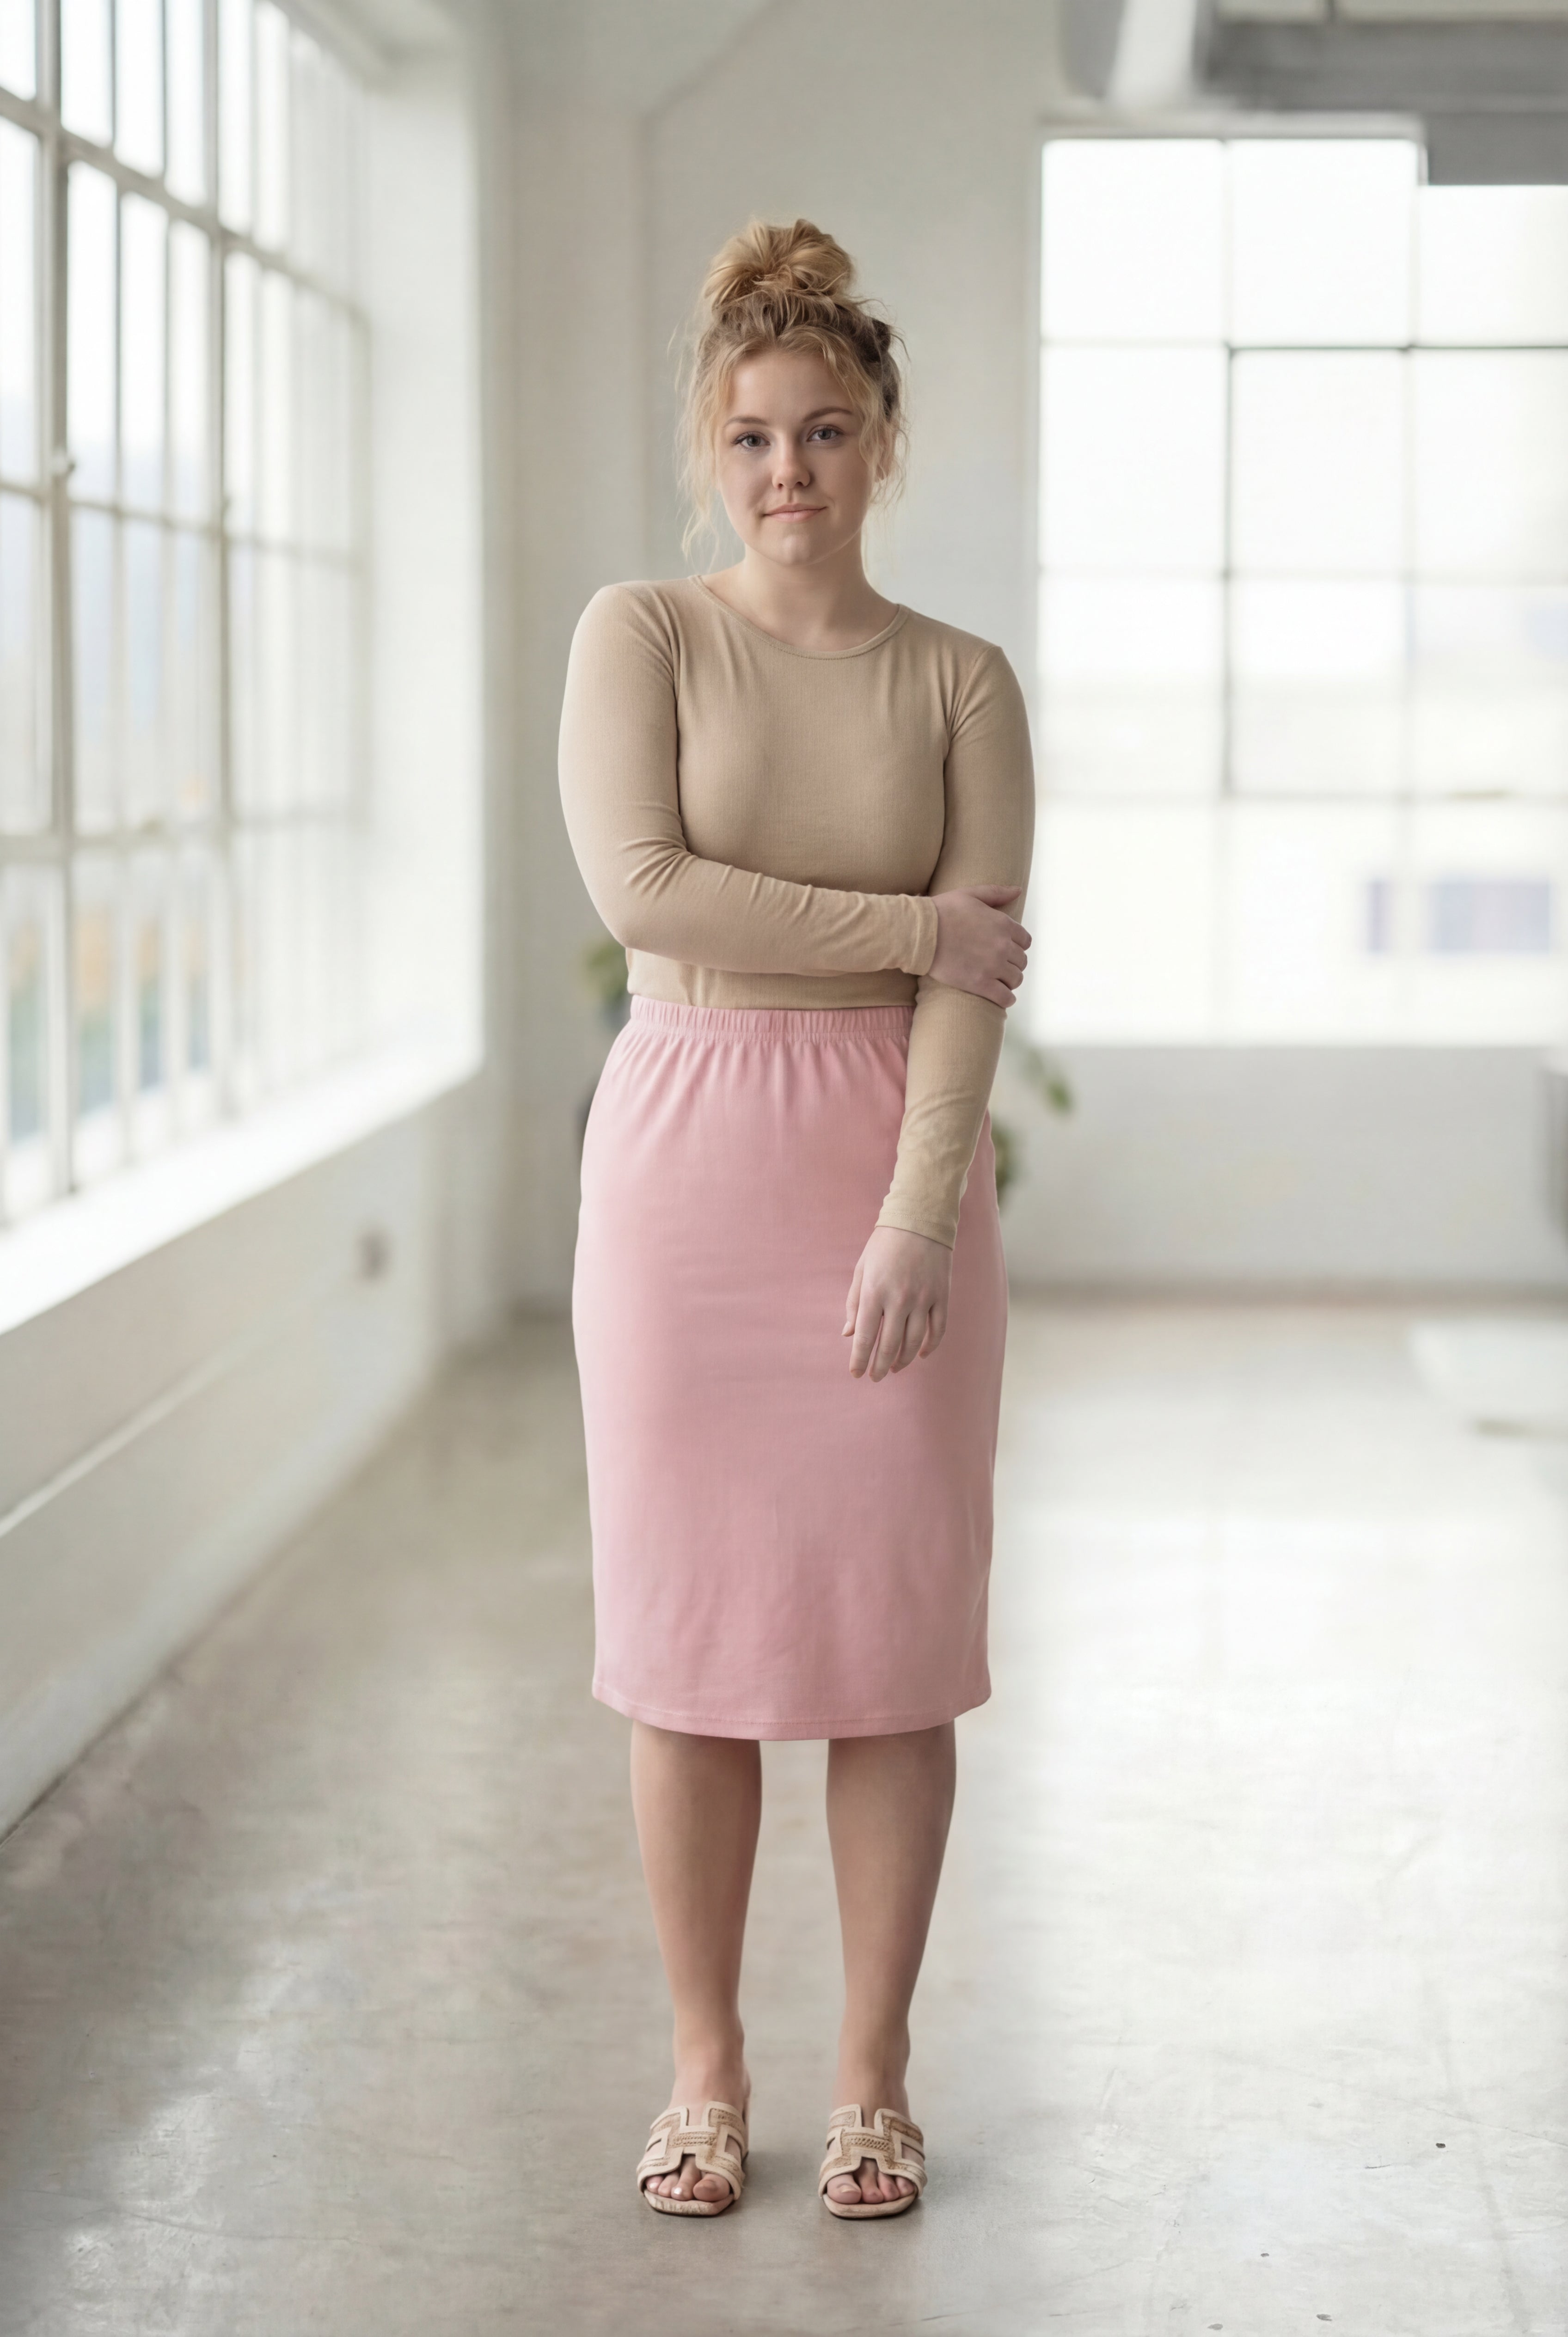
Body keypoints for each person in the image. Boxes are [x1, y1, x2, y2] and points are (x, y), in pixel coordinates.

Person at [558, 218, 1035, 2222]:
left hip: (884, 1169)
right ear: (709, 445)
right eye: (752, 436)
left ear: (882, 442)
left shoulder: (961, 685)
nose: (788, 472)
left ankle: (868, 2072)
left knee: (888, 1649)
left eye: (826, 431)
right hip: (682, 1160)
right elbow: (646, 892)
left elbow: (969, 986)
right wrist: (913, 922)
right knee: (687, 1649)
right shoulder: (641, 636)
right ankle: (702, 2069)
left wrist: (916, 1219)